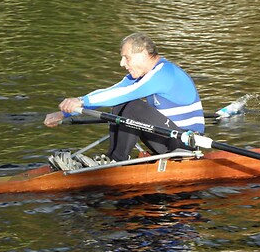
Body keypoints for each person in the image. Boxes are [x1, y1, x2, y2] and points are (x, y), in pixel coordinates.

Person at [44, 32, 205, 164]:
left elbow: (125, 94)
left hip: (185, 144)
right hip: (165, 138)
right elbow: (112, 91)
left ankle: (117, 161)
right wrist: (64, 113)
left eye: (126, 57)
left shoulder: (164, 73)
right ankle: (113, 158)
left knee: (132, 106)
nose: (122, 63)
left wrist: (81, 102)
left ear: (142, 54)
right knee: (122, 104)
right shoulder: (141, 74)